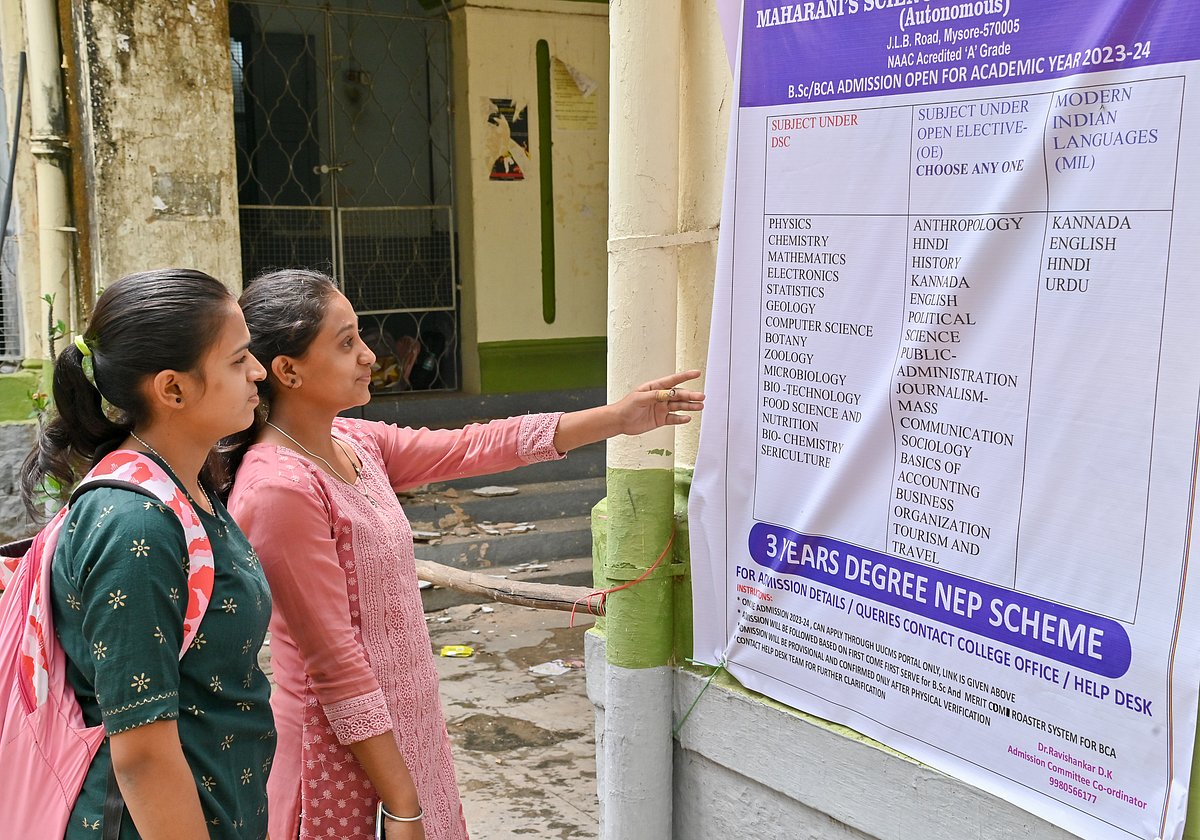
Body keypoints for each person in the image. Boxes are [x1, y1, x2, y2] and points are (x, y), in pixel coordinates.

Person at [223, 268, 704, 840]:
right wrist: (402, 801)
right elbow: (334, 665)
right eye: (347, 341)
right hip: (339, 759)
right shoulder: (279, 488)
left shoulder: (355, 443)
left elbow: (477, 444)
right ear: (288, 370)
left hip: (407, 734)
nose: (370, 355)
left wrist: (619, 419)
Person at [20, 269, 276, 839]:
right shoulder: (136, 523)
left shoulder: (189, 483)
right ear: (173, 389)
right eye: (238, 361)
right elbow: (143, 756)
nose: (258, 371)